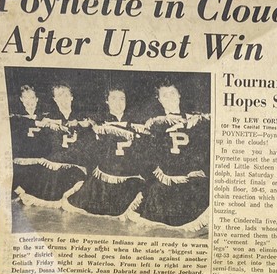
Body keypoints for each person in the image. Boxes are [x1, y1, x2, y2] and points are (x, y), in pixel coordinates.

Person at [135, 82, 211, 231]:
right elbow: (148, 156)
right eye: (165, 95)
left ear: (179, 95)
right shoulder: (155, 124)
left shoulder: (196, 120)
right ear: (159, 100)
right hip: (167, 180)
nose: (169, 98)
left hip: (192, 179)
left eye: (172, 93)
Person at [66, 87, 147, 217]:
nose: (118, 103)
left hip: (130, 176)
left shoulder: (136, 122)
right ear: (107, 101)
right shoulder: (98, 122)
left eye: (122, 99)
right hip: (105, 175)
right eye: (113, 99)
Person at [16, 83, 90, 207]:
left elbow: (92, 124)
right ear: (55, 100)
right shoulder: (48, 117)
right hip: (55, 164)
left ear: (72, 97)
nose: (63, 99)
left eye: (66, 95)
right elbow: (35, 122)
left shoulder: (81, 117)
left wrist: (83, 123)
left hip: (76, 164)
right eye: (59, 96)